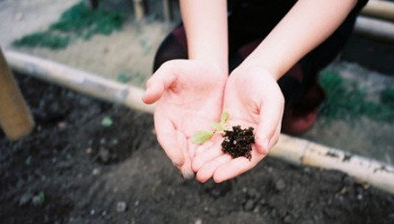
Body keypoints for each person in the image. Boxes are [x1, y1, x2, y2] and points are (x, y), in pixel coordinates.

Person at [142, 0, 368, 183]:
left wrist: (263, 67)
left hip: (311, 18)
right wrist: (208, 63)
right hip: (243, 7)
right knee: (171, 57)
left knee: (276, 85)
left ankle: (303, 95)